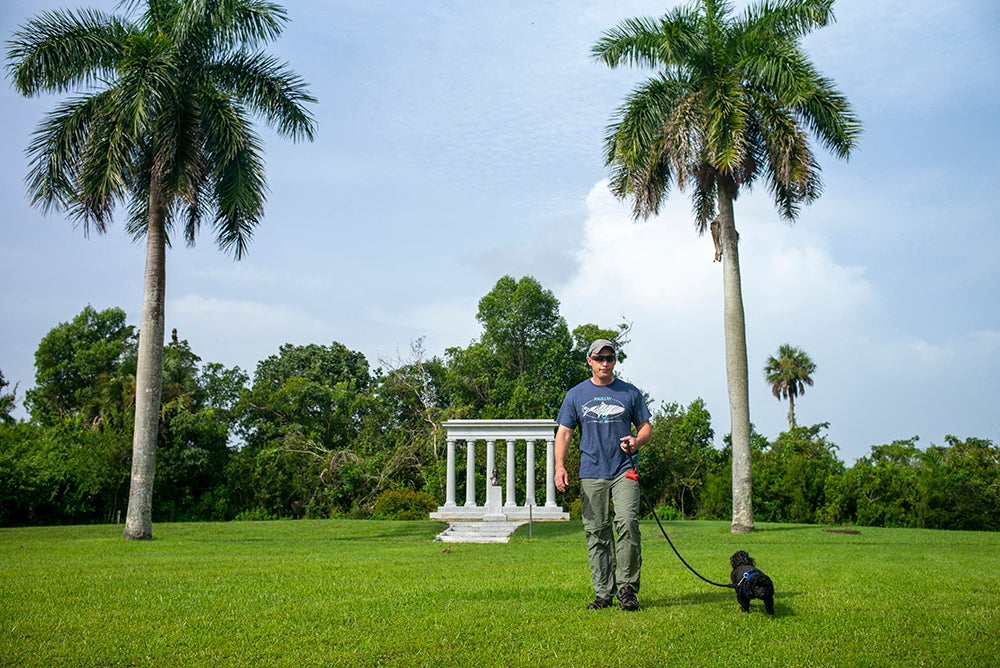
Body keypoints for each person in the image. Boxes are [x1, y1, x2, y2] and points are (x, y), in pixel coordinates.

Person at [555, 339, 652, 611]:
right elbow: (563, 433)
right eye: (599, 358)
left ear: (615, 361)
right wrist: (559, 467)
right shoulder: (576, 395)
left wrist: (637, 441)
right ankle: (603, 593)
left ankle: (627, 589)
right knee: (597, 531)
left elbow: (645, 427)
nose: (604, 363)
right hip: (591, 471)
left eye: (609, 358)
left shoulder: (629, 393)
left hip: (625, 469)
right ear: (590, 361)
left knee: (627, 523)